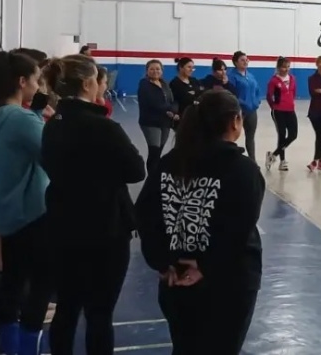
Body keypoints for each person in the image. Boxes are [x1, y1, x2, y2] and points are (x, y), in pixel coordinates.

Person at [135, 90, 265, 355]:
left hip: (176, 279)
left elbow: (145, 215)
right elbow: (237, 230)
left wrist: (162, 261)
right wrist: (205, 265)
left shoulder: (170, 162)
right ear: (235, 122)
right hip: (227, 285)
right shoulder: (243, 170)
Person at [40, 54, 146, 355]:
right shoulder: (103, 127)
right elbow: (136, 169)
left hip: (62, 225)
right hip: (104, 230)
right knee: (99, 314)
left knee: (67, 309)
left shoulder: (53, 124)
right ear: (88, 84)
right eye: (100, 81)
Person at [0, 50, 53, 355]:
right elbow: (52, 152)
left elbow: (20, 147)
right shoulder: (20, 119)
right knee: (40, 287)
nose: (38, 87)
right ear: (22, 81)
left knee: (12, 282)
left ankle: (11, 348)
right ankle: (27, 349)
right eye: (35, 81)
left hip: (6, 213)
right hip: (33, 213)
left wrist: (36, 114)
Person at [137, 60, 178, 179]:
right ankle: (152, 178)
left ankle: (156, 174)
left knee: (159, 150)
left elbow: (172, 100)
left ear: (162, 71)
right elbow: (154, 102)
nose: (155, 71)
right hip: (151, 122)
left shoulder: (164, 83)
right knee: (154, 150)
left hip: (165, 122)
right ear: (147, 71)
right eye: (152, 69)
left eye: (158, 69)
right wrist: (169, 111)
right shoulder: (144, 85)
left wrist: (174, 110)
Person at [228, 52, 261, 164]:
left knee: (250, 137)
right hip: (238, 111)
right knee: (231, 135)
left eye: (247, 59)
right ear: (236, 62)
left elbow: (257, 90)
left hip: (252, 111)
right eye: (242, 60)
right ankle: (229, 160)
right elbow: (231, 93)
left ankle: (253, 162)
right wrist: (241, 103)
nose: (245, 62)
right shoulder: (231, 76)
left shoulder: (250, 76)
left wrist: (257, 102)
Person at [265, 57, 298, 172]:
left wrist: (290, 103)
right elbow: (269, 96)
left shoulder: (293, 78)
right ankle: (282, 161)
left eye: (288, 67)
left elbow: (293, 93)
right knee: (282, 134)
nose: (286, 69)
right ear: (278, 67)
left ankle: (273, 155)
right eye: (284, 67)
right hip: (278, 111)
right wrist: (274, 106)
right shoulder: (273, 81)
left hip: (290, 110)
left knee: (293, 134)